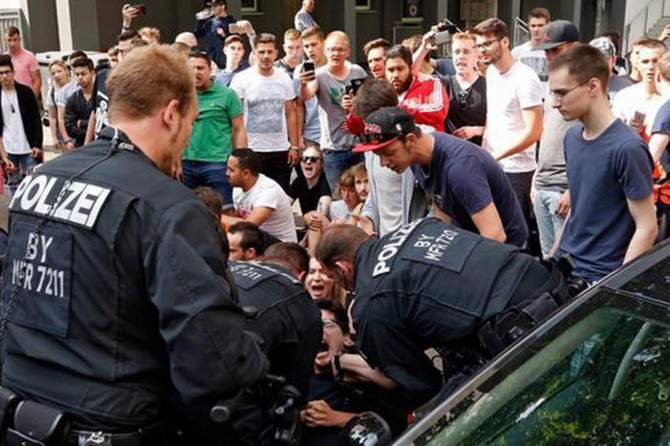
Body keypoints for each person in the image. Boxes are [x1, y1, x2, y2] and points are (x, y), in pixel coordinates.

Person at [0, 44, 268, 443]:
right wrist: (255, 356)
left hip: (18, 412)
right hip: (109, 423)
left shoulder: (38, 181)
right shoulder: (169, 207)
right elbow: (213, 361)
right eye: (191, 121)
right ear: (172, 113)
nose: (188, 138)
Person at [314, 217, 568, 413]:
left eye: (333, 276)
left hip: (525, 329)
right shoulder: (418, 226)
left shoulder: (371, 302)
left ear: (342, 268)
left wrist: (346, 363)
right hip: (551, 282)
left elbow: (420, 384)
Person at [549, 44, 657, 283]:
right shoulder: (572, 137)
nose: (555, 103)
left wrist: (614, 288)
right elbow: (578, 205)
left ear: (593, 87)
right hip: (564, 268)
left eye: (561, 93)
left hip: (599, 278)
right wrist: (553, 254)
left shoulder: (628, 148)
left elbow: (647, 227)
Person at [355, 106, 527, 247]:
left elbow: (495, 235)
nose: (383, 163)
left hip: (505, 250)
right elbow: (443, 212)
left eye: (388, 153)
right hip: (470, 237)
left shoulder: (460, 168)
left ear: (411, 140)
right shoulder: (416, 158)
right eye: (378, 155)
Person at [229, 242, 322, 445]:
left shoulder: (230, 266)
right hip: (241, 401)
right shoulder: (302, 302)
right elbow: (294, 389)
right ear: (302, 276)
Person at [474, 18, 543, 252]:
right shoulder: (492, 73)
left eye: (487, 44)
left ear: (505, 42)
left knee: (517, 240)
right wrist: (485, 151)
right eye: (478, 45)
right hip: (492, 165)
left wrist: (497, 155)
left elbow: (534, 130)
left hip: (517, 171)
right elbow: (493, 117)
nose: (482, 50)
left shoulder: (525, 78)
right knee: (494, 237)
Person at [532, 21, 580, 259]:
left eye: (556, 50)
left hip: (563, 187)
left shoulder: (583, 86)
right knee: (547, 259)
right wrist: (535, 179)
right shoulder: (552, 83)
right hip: (542, 183)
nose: (550, 56)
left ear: (575, 47)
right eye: (547, 51)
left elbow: (591, 141)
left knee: (564, 259)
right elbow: (547, 134)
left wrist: (573, 189)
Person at [230, 33, 300, 192]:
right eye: (261, 52)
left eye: (269, 52)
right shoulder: (241, 79)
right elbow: (235, 119)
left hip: (280, 150)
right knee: (251, 195)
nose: (266, 56)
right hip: (252, 149)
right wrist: (240, 152)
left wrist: (294, 146)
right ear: (254, 53)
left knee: (279, 195)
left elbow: (291, 113)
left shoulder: (284, 78)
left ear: (276, 53)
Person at [300, 31, 368, 192]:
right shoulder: (319, 75)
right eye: (332, 49)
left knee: (364, 193)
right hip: (334, 148)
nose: (336, 53)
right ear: (325, 51)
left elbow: (369, 100)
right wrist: (303, 83)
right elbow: (306, 95)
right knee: (339, 195)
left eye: (340, 49)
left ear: (348, 52)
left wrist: (355, 104)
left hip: (359, 143)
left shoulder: (357, 71)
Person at [183, 51, 247, 205]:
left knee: (223, 210)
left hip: (217, 163)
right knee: (186, 211)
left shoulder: (227, 95)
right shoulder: (180, 96)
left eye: (200, 68)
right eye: (191, 68)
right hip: (185, 163)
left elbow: (239, 129)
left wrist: (241, 161)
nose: (196, 72)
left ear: (210, 70)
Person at [225, 148, 298, 242]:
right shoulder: (238, 187)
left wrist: (217, 217)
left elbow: (248, 227)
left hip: (280, 245)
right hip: (259, 240)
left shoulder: (268, 190)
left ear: (246, 173)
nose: (226, 173)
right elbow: (237, 220)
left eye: (231, 170)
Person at [0, 54, 42, 193]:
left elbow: (36, 119)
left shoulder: (25, 92)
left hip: (28, 148)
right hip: (8, 149)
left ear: (13, 72)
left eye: (7, 72)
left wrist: (37, 144)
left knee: (33, 186)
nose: (4, 76)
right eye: (0, 73)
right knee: (14, 188)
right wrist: (2, 155)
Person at [612, 38, 666, 136]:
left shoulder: (667, 98)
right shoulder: (624, 97)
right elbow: (613, 134)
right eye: (645, 62)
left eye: (655, 61)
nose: (650, 67)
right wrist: (628, 129)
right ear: (637, 64)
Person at [445, 32, 487, 146]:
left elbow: (500, 126)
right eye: (457, 52)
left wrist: (476, 130)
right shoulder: (443, 84)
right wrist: (424, 47)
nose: (461, 56)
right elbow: (412, 73)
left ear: (477, 55)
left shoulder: (489, 87)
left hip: (478, 151)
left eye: (466, 52)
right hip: (450, 151)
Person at [511, 8, 550, 85]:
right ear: (528, 26)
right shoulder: (517, 52)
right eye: (533, 26)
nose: (536, 29)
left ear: (548, 25)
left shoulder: (553, 51)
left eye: (540, 26)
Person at [45, 60, 78, 151]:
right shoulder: (52, 92)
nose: (56, 75)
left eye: (59, 71)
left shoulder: (75, 87)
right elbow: (52, 116)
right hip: (62, 131)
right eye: (53, 73)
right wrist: (54, 137)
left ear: (66, 71)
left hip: (76, 127)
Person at [194, 0, 237, 69]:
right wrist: (200, 20)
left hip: (224, 61)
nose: (213, 8)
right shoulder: (210, 22)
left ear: (223, 6)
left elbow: (236, 40)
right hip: (210, 61)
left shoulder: (231, 21)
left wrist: (224, 35)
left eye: (215, 6)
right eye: (212, 6)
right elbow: (197, 34)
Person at [289, 146, 332, 215]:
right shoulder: (299, 181)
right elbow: (284, 204)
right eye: (304, 159)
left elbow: (320, 216)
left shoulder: (326, 183)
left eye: (313, 159)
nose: (308, 162)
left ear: (322, 164)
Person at [64, 57, 96, 148]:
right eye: (77, 74)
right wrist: (90, 133)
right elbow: (70, 128)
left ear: (93, 73)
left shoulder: (101, 96)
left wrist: (82, 123)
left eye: (83, 74)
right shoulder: (72, 99)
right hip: (80, 145)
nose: (80, 77)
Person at [589, 37, 633, 103]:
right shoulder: (579, 85)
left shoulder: (627, 88)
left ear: (614, 60)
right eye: (595, 59)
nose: (600, 63)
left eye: (605, 59)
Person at [4, 26, 41, 98]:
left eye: (15, 40)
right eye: (9, 40)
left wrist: (32, 99)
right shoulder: (4, 59)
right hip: (9, 97)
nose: (12, 43)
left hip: (26, 96)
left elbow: (37, 80)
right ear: (5, 40)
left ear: (20, 39)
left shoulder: (29, 56)